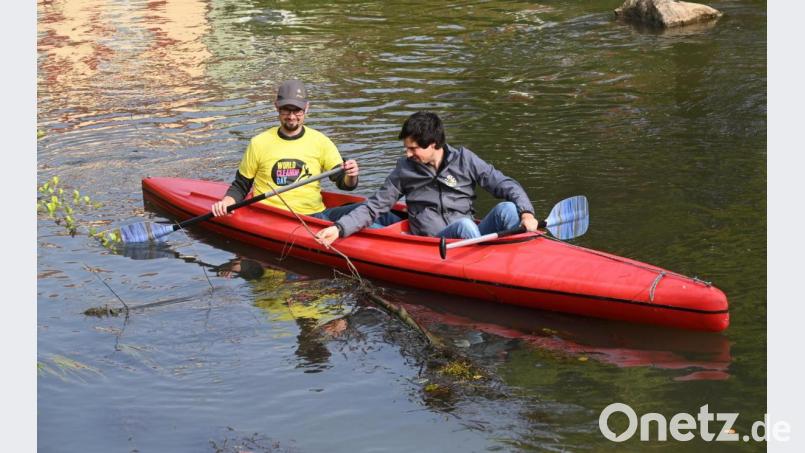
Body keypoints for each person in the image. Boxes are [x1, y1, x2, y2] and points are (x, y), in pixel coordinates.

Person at [316, 111, 541, 246]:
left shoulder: (465, 160)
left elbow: (505, 184)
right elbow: (374, 207)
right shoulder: (405, 170)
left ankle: (523, 255)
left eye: (413, 149)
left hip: (469, 237)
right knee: (462, 225)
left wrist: (527, 212)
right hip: (434, 243)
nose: (408, 154)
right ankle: (487, 264)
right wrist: (339, 228)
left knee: (508, 209)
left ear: (433, 144)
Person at [211, 79, 361, 222]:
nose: (291, 117)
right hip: (272, 215)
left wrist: (351, 175)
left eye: (297, 111)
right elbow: (241, 185)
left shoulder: (321, 141)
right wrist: (226, 202)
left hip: (313, 215)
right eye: (285, 110)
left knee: (374, 209)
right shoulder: (259, 143)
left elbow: (344, 183)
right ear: (276, 106)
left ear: (306, 108)